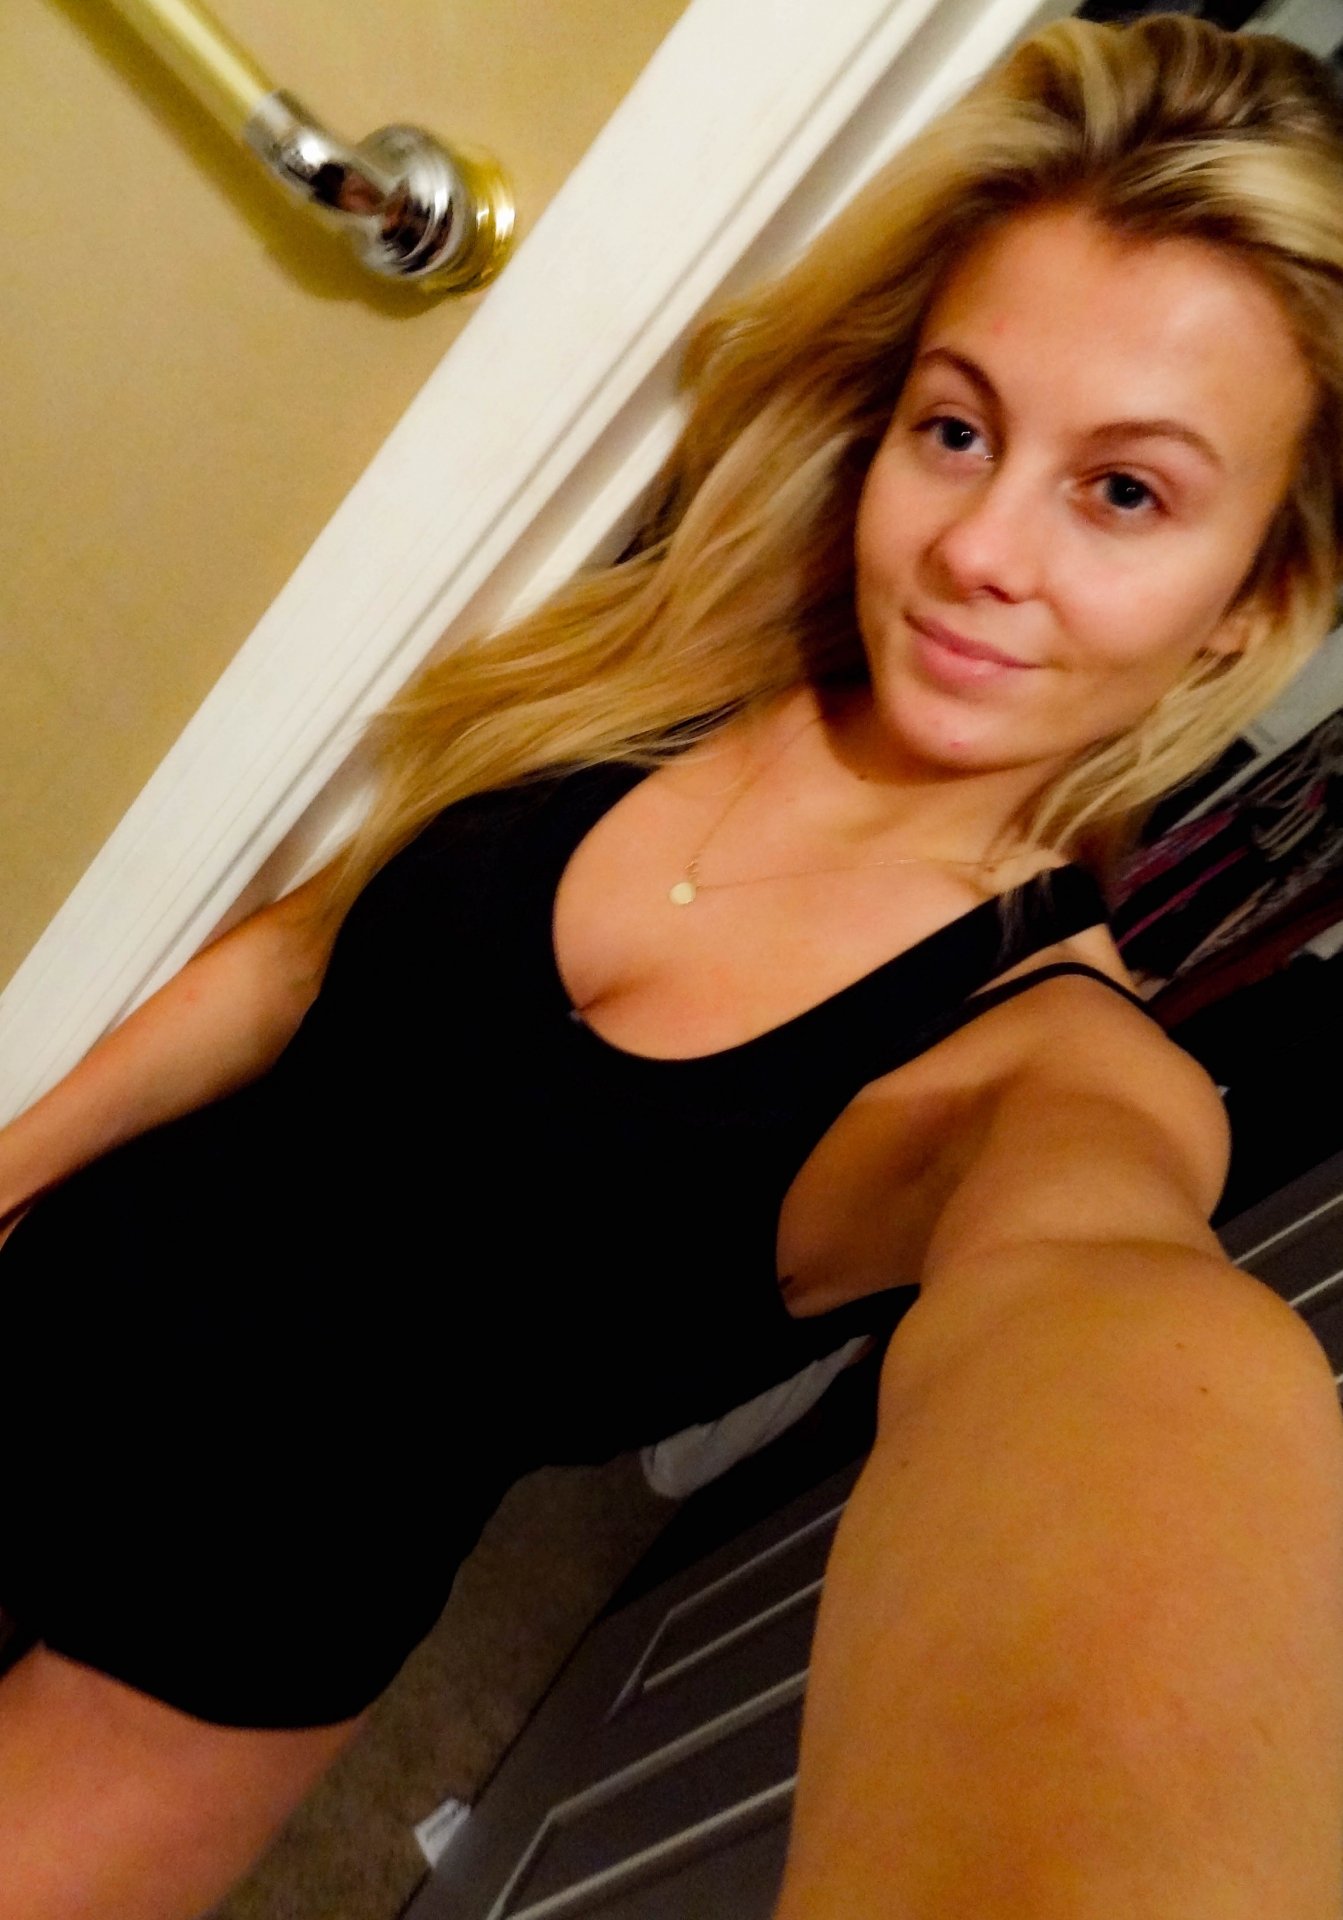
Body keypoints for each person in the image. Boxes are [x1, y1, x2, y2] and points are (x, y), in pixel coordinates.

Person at [3, 10, 1343, 1915]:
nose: (977, 547)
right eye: (958, 430)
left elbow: (1107, 1315)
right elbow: (300, 961)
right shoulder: (671, 662)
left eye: (1124, 492)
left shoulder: (1040, 1060)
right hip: (50, 1298)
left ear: (1253, 598)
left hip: (207, 1646)